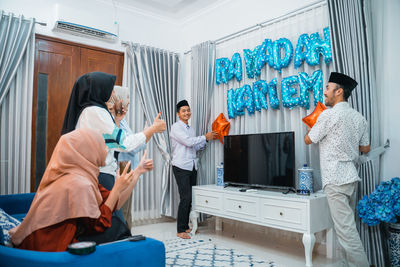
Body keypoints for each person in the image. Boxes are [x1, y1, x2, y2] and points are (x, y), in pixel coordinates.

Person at [9, 128, 153, 251]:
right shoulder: (78, 183)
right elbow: (99, 225)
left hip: (60, 238)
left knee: (116, 224)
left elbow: (114, 203)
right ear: (87, 150)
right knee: (117, 228)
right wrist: (116, 188)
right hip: (50, 246)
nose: (107, 149)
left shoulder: (83, 176)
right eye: (102, 145)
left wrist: (138, 172)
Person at [304, 72, 370, 267]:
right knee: (346, 228)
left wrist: (312, 126)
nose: (325, 92)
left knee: (346, 232)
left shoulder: (328, 115)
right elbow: (365, 148)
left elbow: (309, 139)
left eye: (327, 88)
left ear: (339, 91)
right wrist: (347, 142)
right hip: (350, 178)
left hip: (335, 179)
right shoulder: (359, 118)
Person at [61, 72, 165, 192]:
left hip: (96, 173)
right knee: (110, 210)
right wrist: (152, 129)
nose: (114, 93)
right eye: (111, 89)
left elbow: (108, 141)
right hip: (101, 174)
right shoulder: (96, 112)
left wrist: (117, 120)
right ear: (99, 90)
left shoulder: (88, 111)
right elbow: (123, 143)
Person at [170, 100, 218, 239]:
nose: (187, 113)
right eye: (183, 111)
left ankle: (186, 226)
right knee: (185, 198)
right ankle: (180, 230)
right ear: (178, 114)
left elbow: (194, 147)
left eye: (188, 110)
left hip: (192, 165)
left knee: (191, 198)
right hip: (180, 166)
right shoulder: (176, 127)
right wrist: (204, 136)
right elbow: (188, 142)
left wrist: (206, 140)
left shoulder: (191, 129)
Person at [107, 85, 147, 229]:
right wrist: (146, 134)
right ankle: (123, 239)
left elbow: (136, 144)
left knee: (127, 211)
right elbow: (130, 146)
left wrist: (143, 136)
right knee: (122, 211)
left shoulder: (122, 120)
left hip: (128, 169)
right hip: (122, 170)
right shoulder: (113, 120)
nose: (129, 101)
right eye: (127, 98)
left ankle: (128, 238)